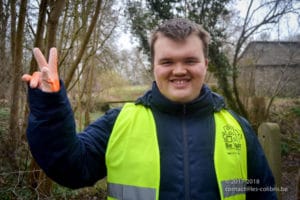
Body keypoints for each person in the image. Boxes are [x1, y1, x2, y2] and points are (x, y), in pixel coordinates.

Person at [22, 18, 277, 200]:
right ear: (153, 66)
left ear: (205, 65)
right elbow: (70, 168)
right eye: (167, 61)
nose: (179, 70)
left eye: (190, 60)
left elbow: (262, 192)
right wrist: (50, 104)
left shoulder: (237, 127)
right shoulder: (118, 122)